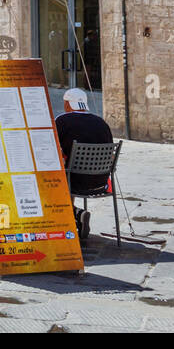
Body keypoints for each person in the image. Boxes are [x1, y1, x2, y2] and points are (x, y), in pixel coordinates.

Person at [56, 87, 113, 239]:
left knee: (57, 178)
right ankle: (75, 218)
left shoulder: (62, 121)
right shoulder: (102, 123)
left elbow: (53, 149)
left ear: (68, 104)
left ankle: (75, 214)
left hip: (75, 182)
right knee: (71, 172)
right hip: (101, 183)